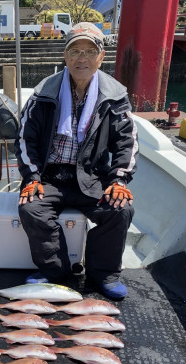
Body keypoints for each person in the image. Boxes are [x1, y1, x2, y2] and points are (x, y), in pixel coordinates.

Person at [15, 22, 138, 300]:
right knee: (31, 209)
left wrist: (119, 179)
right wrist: (32, 177)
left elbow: (127, 142)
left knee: (120, 209)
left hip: (92, 176)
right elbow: (25, 138)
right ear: (65, 56)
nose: (81, 58)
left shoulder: (115, 96)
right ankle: (55, 273)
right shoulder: (44, 91)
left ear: (100, 57)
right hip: (50, 175)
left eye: (89, 51)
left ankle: (103, 273)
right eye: (74, 51)